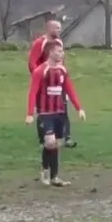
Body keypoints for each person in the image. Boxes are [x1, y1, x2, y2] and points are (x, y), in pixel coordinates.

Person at [25, 41, 86, 187]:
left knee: (56, 144)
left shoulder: (62, 70)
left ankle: (55, 177)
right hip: (45, 113)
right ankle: (45, 170)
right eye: (59, 51)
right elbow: (33, 92)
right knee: (50, 142)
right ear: (50, 52)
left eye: (62, 51)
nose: (62, 54)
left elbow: (69, 89)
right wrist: (30, 113)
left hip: (59, 112)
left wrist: (79, 108)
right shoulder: (40, 71)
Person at [28, 20, 76, 148]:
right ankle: (43, 138)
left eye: (60, 28)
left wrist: (61, 74)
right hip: (44, 83)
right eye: (56, 28)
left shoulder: (59, 42)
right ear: (48, 28)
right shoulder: (40, 43)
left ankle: (66, 137)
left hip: (58, 81)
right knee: (44, 110)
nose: (59, 30)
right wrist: (41, 78)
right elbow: (32, 62)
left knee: (63, 107)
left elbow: (61, 61)